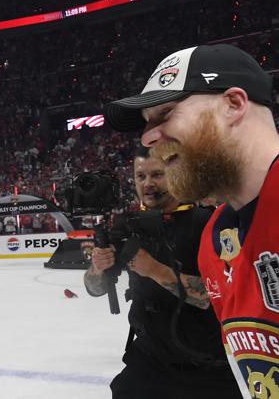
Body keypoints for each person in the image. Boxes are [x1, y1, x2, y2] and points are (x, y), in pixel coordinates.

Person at [104, 44, 279, 398]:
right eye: (147, 124)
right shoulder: (217, 239)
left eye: (165, 113)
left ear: (233, 104)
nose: (147, 137)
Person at [84, 147, 238, 398]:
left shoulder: (207, 223)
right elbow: (95, 288)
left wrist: (154, 269)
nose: (147, 184)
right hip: (148, 362)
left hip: (207, 368)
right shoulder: (128, 225)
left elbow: (210, 299)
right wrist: (98, 268)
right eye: (140, 176)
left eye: (157, 174)